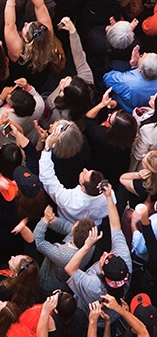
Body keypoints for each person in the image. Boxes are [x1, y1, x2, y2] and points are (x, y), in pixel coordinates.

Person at [65, 183, 131, 312]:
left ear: (103, 273)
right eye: (110, 255)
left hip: (87, 313)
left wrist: (87, 246)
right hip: (115, 313)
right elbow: (116, 226)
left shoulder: (95, 285)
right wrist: (108, 197)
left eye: (105, 258)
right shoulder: (125, 257)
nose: (105, 253)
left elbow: (70, 268)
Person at [39, 125, 111, 224]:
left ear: (83, 188)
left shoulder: (69, 200)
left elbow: (47, 178)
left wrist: (47, 147)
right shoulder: (109, 196)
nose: (84, 170)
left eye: (84, 175)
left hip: (67, 223)